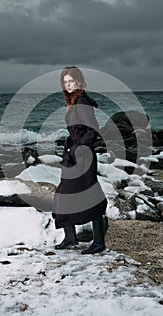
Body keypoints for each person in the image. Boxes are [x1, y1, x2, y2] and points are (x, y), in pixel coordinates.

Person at [52, 66, 107, 254]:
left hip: (83, 156)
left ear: (79, 82)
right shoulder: (73, 101)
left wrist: (78, 148)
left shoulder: (82, 100)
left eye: (71, 81)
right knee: (63, 195)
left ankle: (99, 243)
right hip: (73, 155)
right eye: (65, 82)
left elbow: (93, 130)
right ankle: (70, 238)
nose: (68, 85)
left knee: (90, 197)